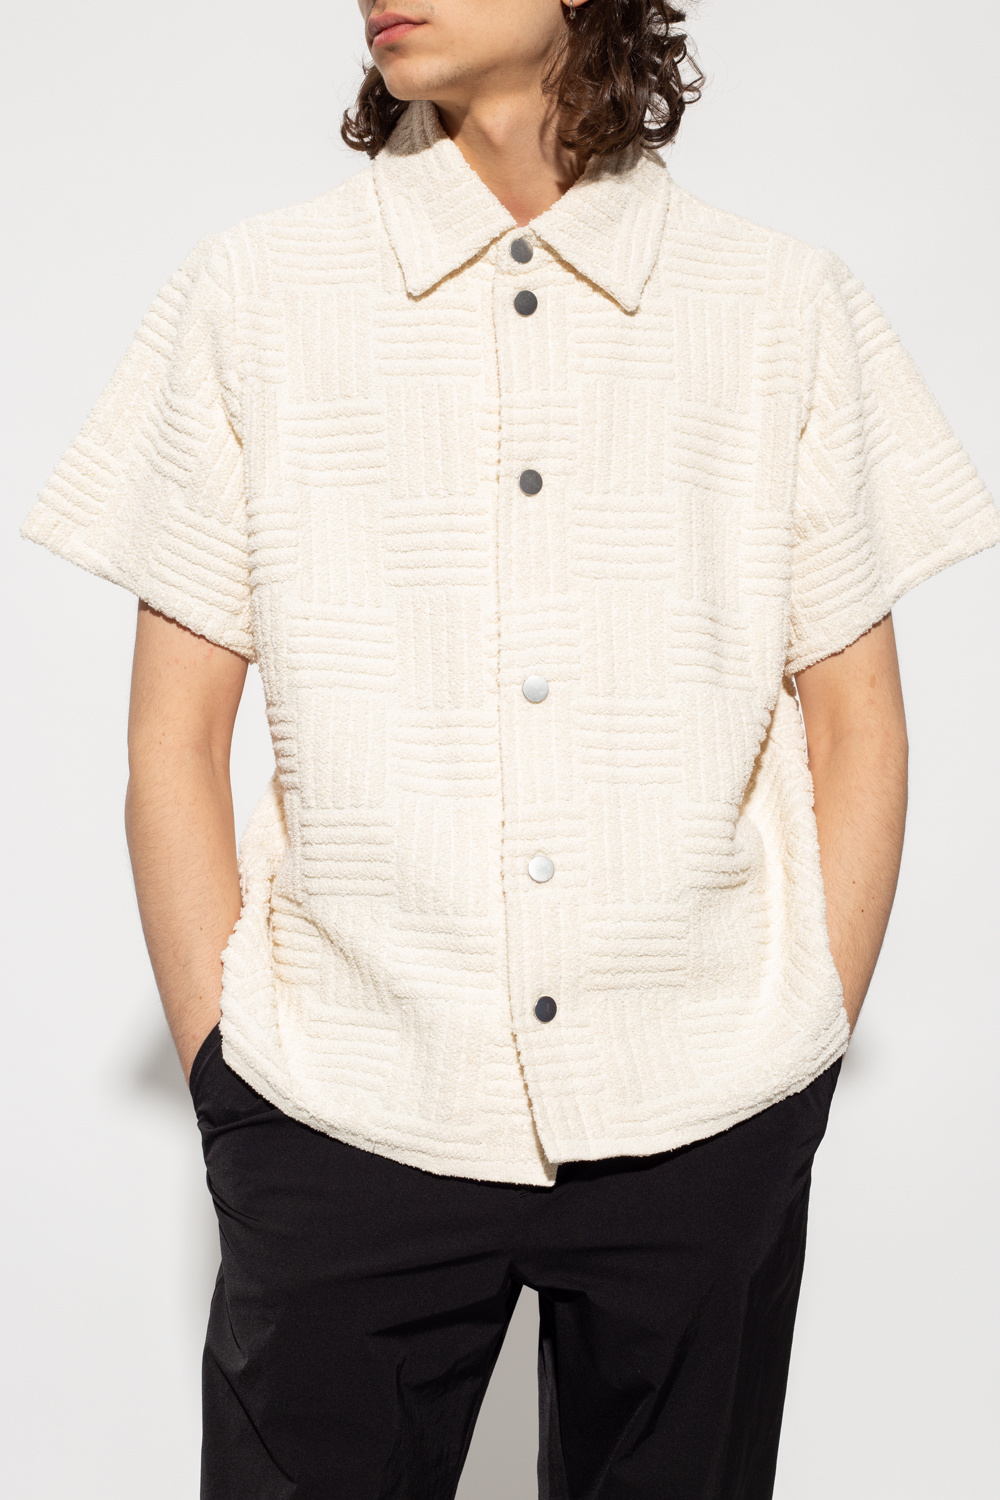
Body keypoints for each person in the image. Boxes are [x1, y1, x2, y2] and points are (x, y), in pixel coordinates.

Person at [21, 2, 999, 1496]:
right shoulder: (257, 295)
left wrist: (805, 1043)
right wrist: (233, 1086)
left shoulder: (781, 308)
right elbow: (174, 738)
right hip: (342, 1103)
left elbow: (860, 717)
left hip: (705, 1106)